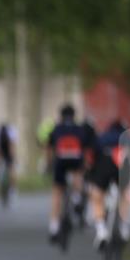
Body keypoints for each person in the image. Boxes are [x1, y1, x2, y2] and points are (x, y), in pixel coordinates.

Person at [46, 104, 89, 243]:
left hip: (60, 161)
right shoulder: (79, 129)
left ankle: (53, 228)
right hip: (76, 159)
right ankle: (76, 197)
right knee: (78, 174)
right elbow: (86, 147)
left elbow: (50, 147)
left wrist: (49, 164)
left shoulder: (57, 128)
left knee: (57, 192)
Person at [86, 118, 130, 249]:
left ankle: (101, 231)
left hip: (103, 164)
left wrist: (90, 174)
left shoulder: (103, 137)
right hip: (122, 166)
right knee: (125, 194)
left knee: (97, 196)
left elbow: (92, 157)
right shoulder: (127, 138)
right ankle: (124, 227)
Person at [0, 122, 17, 202]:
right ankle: (12, 189)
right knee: (11, 169)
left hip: (1, 152)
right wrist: (13, 158)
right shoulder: (11, 132)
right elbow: (12, 147)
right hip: (6, 152)